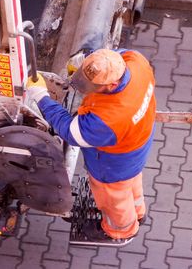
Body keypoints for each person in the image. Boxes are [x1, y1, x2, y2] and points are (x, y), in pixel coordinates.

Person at [26, 48, 156, 246]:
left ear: (112, 85)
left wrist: (41, 97)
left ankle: (119, 231)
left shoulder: (109, 119)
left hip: (112, 163)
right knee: (131, 184)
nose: (84, 87)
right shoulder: (135, 61)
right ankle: (138, 213)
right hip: (138, 140)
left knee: (113, 199)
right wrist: (82, 67)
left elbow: (69, 130)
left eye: (92, 85)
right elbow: (117, 54)